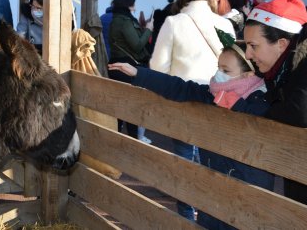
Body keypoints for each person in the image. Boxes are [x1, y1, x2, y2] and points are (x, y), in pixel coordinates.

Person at [108, 39, 275, 229]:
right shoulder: (214, 94)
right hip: (212, 191)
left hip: (246, 198)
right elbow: (180, 87)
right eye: (218, 67)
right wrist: (138, 73)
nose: (218, 75)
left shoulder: (260, 102)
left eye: (226, 71)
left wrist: (235, 104)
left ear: (248, 74)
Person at [149, 0, 234, 221]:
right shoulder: (225, 24)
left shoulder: (174, 23)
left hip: (183, 99)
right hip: (219, 99)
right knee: (212, 161)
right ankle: (211, 217)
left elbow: (158, 66)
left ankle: (187, 217)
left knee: (185, 162)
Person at [244, 0, 307, 210]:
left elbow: (301, 113)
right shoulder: (281, 69)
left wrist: (254, 107)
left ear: (281, 44)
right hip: (305, 175)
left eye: (253, 46)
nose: (248, 55)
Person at [108, 0, 153, 144]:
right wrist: (148, 29)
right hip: (126, 67)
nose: (135, 7)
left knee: (120, 108)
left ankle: (117, 139)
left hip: (117, 66)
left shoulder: (116, 18)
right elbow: (137, 44)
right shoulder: (124, 21)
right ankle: (134, 141)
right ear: (128, 4)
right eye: (133, 4)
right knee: (131, 107)